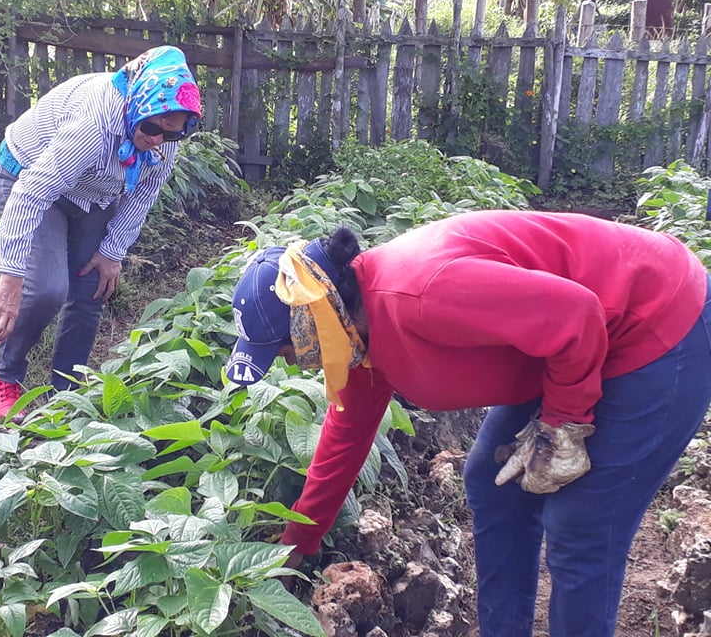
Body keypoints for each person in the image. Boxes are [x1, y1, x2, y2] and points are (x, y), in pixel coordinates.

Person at [224, 209, 711, 637]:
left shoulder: (420, 294)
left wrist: (563, 423)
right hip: (563, 346)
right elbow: (344, 438)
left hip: (652, 319)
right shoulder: (358, 340)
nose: (291, 364)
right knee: (490, 481)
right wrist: (297, 543)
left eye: (286, 350)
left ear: (313, 322)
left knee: (582, 522)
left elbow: (578, 315)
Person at [0, 45, 202, 420]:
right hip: (29, 176)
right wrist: (11, 276)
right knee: (46, 288)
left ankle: (67, 395)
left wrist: (112, 251)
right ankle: (7, 375)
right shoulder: (94, 125)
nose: (157, 140)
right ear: (139, 105)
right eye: (151, 129)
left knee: (92, 287)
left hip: (92, 191)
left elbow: (143, 195)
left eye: (171, 135)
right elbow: (32, 192)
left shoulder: (164, 140)